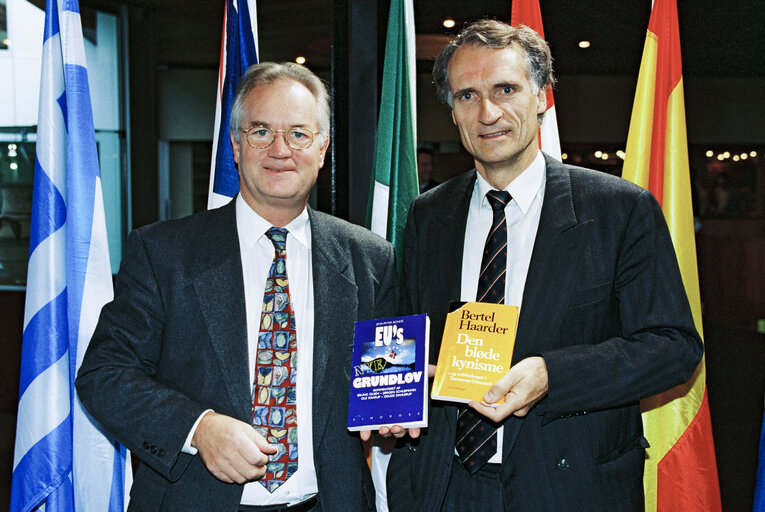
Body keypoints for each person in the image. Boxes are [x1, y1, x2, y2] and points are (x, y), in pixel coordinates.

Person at [386, 20, 703, 511]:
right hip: (444, 488)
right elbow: (411, 335)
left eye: (505, 89)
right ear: (452, 112)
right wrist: (395, 399)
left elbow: (674, 347)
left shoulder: (620, 209)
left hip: (568, 487)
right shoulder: (429, 214)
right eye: (467, 96)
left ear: (540, 96)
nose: (488, 112)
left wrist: (554, 374)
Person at [76, 62, 397, 512]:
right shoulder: (162, 252)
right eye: (261, 131)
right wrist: (198, 428)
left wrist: (399, 405)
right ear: (236, 145)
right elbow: (103, 376)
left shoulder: (370, 258)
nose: (280, 149)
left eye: (299, 134)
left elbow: (383, 375)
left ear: (322, 148)